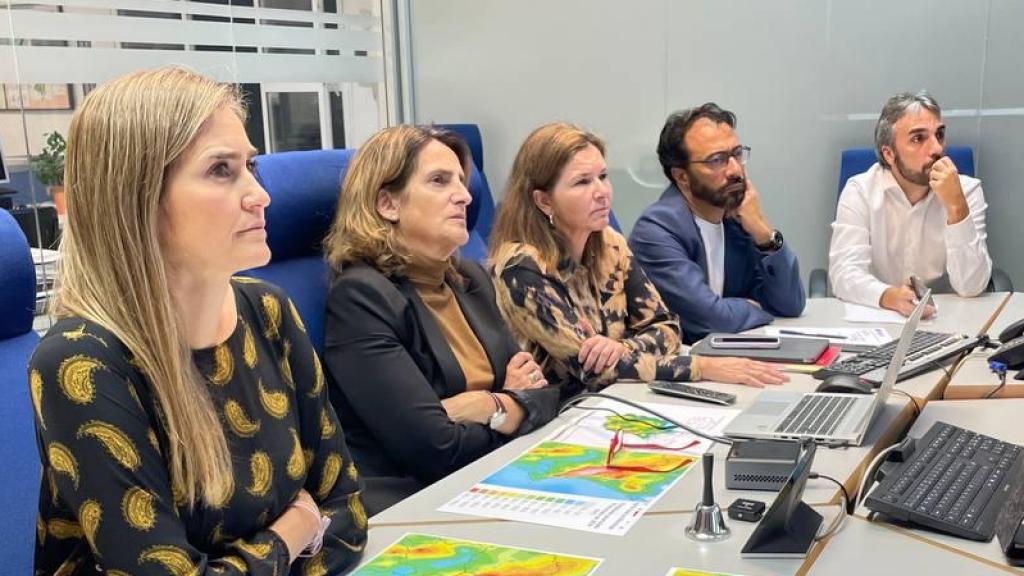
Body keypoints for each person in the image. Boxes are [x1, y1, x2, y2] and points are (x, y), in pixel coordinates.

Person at [28, 67, 366, 575]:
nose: (260, 194)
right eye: (221, 170)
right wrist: (293, 531)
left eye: (250, 165)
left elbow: (348, 513)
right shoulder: (82, 362)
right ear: (137, 198)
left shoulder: (268, 312)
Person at [322, 125, 559, 515]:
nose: (464, 195)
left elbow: (541, 392)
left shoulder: (470, 279)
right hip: (416, 502)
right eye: (439, 181)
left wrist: (482, 405)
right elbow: (432, 448)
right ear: (387, 204)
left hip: (490, 476)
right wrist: (505, 403)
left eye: (462, 182)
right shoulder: (361, 298)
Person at [488, 122, 787, 399]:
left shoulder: (611, 245)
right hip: (558, 418)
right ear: (544, 200)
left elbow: (668, 327)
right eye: (582, 182)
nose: (602, 192)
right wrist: (702, 368)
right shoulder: (522, 267)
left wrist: (622, 347)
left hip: (619, 402)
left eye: (603, 177)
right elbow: (593, 371)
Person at [629, 103, 805, 344]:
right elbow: (709, 321)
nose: (735, 170)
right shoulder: (657, 230)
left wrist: (764, 235)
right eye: (717, 160)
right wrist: (754, 308)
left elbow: (790, 304)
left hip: (729, 360)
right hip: (677, 369)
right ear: (682, 177)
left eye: (737, 154)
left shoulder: (736, 221)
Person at [829, 91, 992, 316]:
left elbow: (972, 286)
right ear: (889, 154)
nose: (936, 149)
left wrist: (957, 208)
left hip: (948, 321)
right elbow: (844, 273)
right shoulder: (860, 191)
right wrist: (889, 296)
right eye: (918, 138)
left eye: (940, 135)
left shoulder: (966, 191)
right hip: (880, 319)